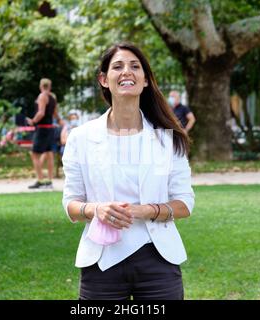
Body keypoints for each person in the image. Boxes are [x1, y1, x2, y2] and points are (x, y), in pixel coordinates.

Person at [62, 42, 195, 300]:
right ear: (104, 79)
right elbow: (70, 204)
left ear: (145, 80)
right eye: (118, 66)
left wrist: (147, 211)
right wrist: (96, 209)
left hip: (158, 259)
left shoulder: (167, 138)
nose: (127, 72)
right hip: (101, 260)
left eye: (135, 66)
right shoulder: (81, 138)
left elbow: (185, 203)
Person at [26, 78, 59, 189]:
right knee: (49, 154)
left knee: (34, 154)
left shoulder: (42, 96)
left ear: (41, 86)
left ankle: (40, 180)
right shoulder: (53, 98)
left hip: (42, 128)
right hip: (50, 129)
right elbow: (55, 114)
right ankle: (49, 181)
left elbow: (41, 113)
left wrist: (32, 121)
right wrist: (60, 121)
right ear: (49, 86)